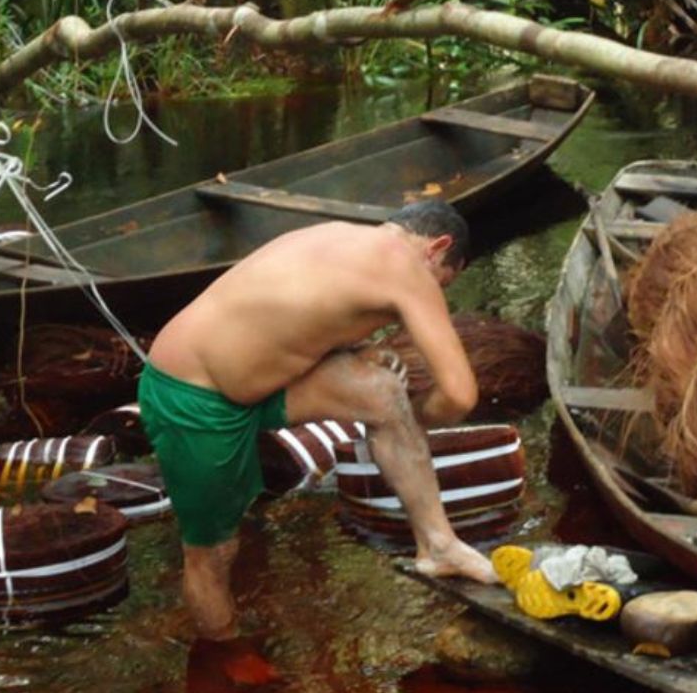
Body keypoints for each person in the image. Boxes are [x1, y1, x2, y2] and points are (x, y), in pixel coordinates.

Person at [138, 200, 497, 671]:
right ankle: (223, 652)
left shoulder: (339, 235)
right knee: (213, 552)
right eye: (442, 282)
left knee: (382, 394)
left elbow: (301, 315)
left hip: (254, 383)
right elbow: (460, 395)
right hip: (193, 396)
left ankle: (437, 545)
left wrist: (368, 366)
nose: (436, 293)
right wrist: (421, 422)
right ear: (437, 247)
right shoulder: (406, 267)